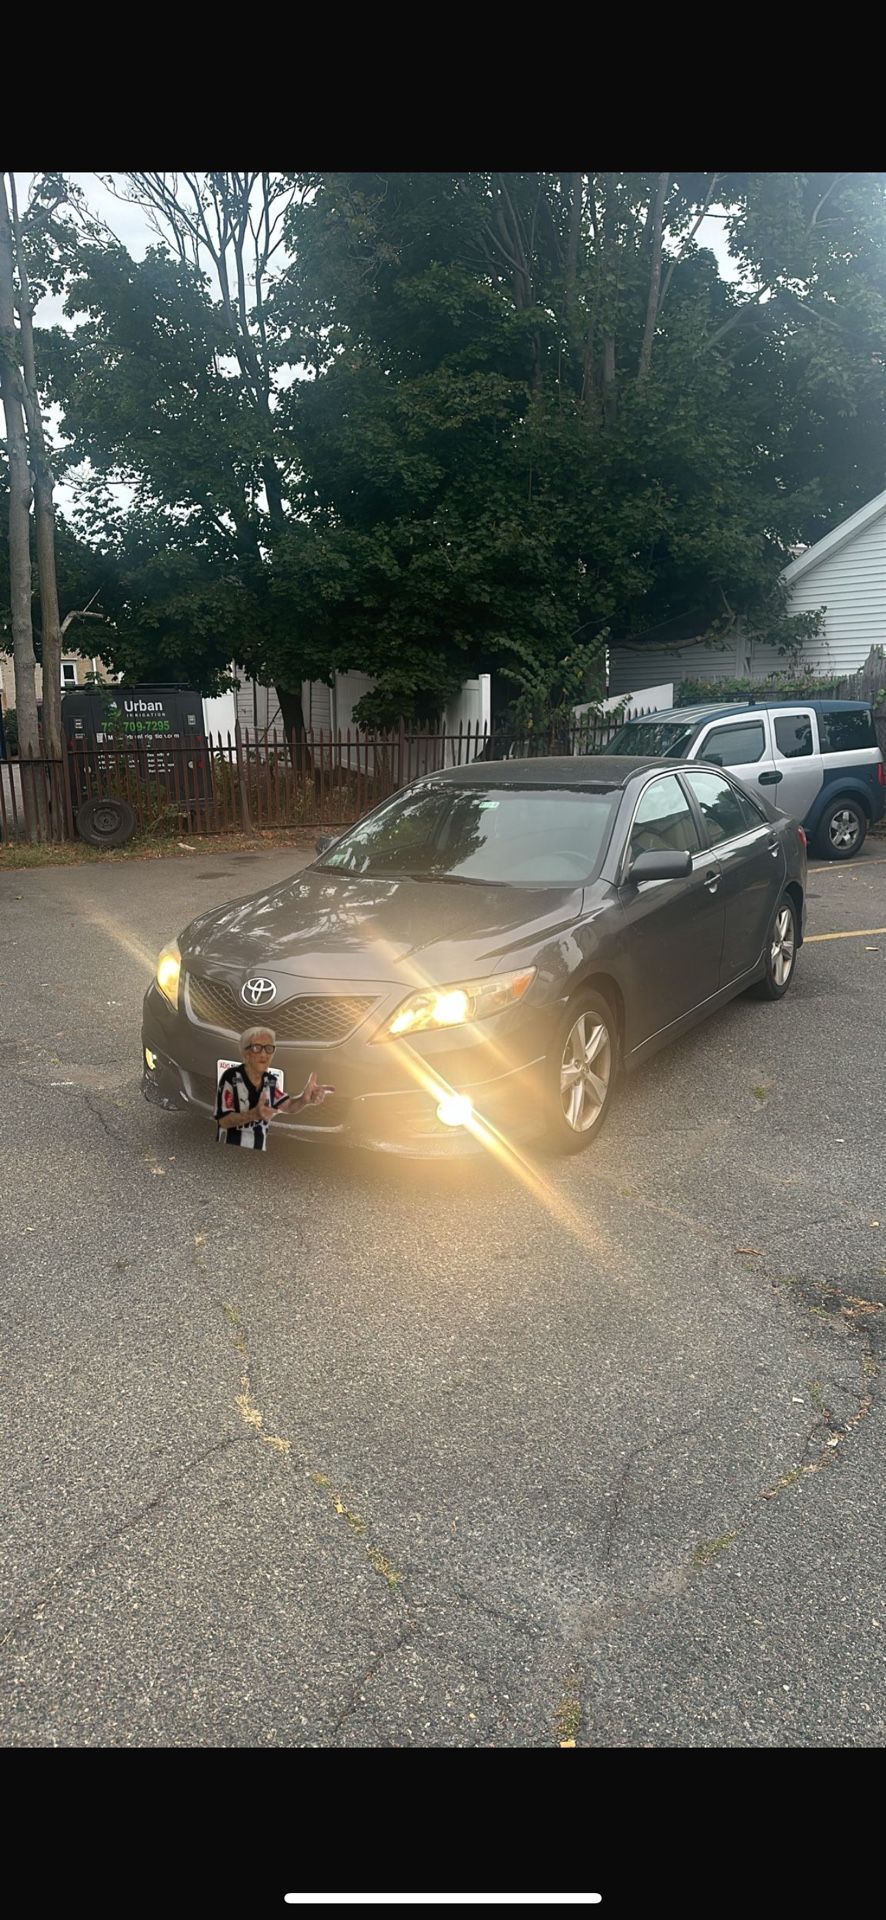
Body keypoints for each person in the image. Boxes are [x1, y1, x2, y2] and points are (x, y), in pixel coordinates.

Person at [215, 1026, 333, 1150]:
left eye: (269, 1049)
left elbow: (288, 1106)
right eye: (256, 1048)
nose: (264, 1054)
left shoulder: (269, 1081)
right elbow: (224, 1120)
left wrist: (303, 1100)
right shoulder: (230, 1077)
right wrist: (253, 1114)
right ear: (245, 1053)